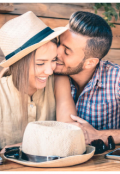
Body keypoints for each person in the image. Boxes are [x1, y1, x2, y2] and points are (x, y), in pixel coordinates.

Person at [0, 11, 77, 151]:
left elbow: (69, 131)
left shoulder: (59, 81)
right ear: (18, 65)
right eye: (40, 63)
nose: (50, 71)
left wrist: (17, 148)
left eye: (54, 60)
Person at [54, 11, 120, 145]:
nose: (57, 52)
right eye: (58, 43)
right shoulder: (51, 72)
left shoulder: (116, 79)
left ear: (90, 63)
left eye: (66, 51)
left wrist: (98, 135)